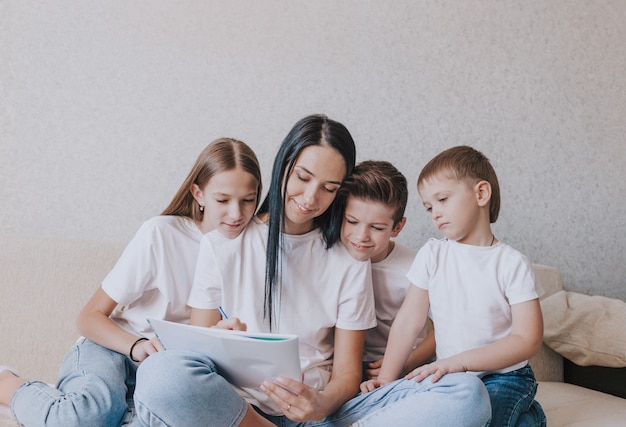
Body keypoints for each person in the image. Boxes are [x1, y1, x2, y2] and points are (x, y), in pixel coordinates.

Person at [133, 115, 491, 427]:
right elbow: (195, 350)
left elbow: (348, 374)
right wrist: (217, 336)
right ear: (284, 166)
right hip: (239, 410)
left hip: (321, 414)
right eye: (303, 177)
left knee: (466, 394)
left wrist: (320, 403)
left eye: (329, 188)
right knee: (160, 374)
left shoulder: (349, 258)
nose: (310, 198)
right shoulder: (223, 244)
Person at [0, 138, 262, 427]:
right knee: (85, 415)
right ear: (198, 194)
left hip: (167, 373)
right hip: (113, 348)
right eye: (223, 200)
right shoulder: (161, 235)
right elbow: (88, 317)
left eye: (248, 200)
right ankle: (6, 383)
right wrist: (136, 345)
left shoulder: (256, 247)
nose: (237, 213)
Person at [361, 145, 546, 426]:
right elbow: (408, 322)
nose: (435, 213)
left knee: (483, 417)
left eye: (443, 199)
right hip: (450, 378)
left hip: (504, 376)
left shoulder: (511, 263)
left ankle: (530, 414)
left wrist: (460, 361)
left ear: (481, 194)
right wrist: (387, 378)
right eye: (429, 207)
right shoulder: (433, 254)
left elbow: (527, 339)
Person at [337, 160, 436, 381]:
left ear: (397, 227)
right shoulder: (332, 256)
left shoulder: (414, 267)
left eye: (376, 227)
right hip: (343, 366)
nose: (361, 236)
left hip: (405, 365)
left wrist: (405, 364)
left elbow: (443, 329)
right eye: (352, 221)